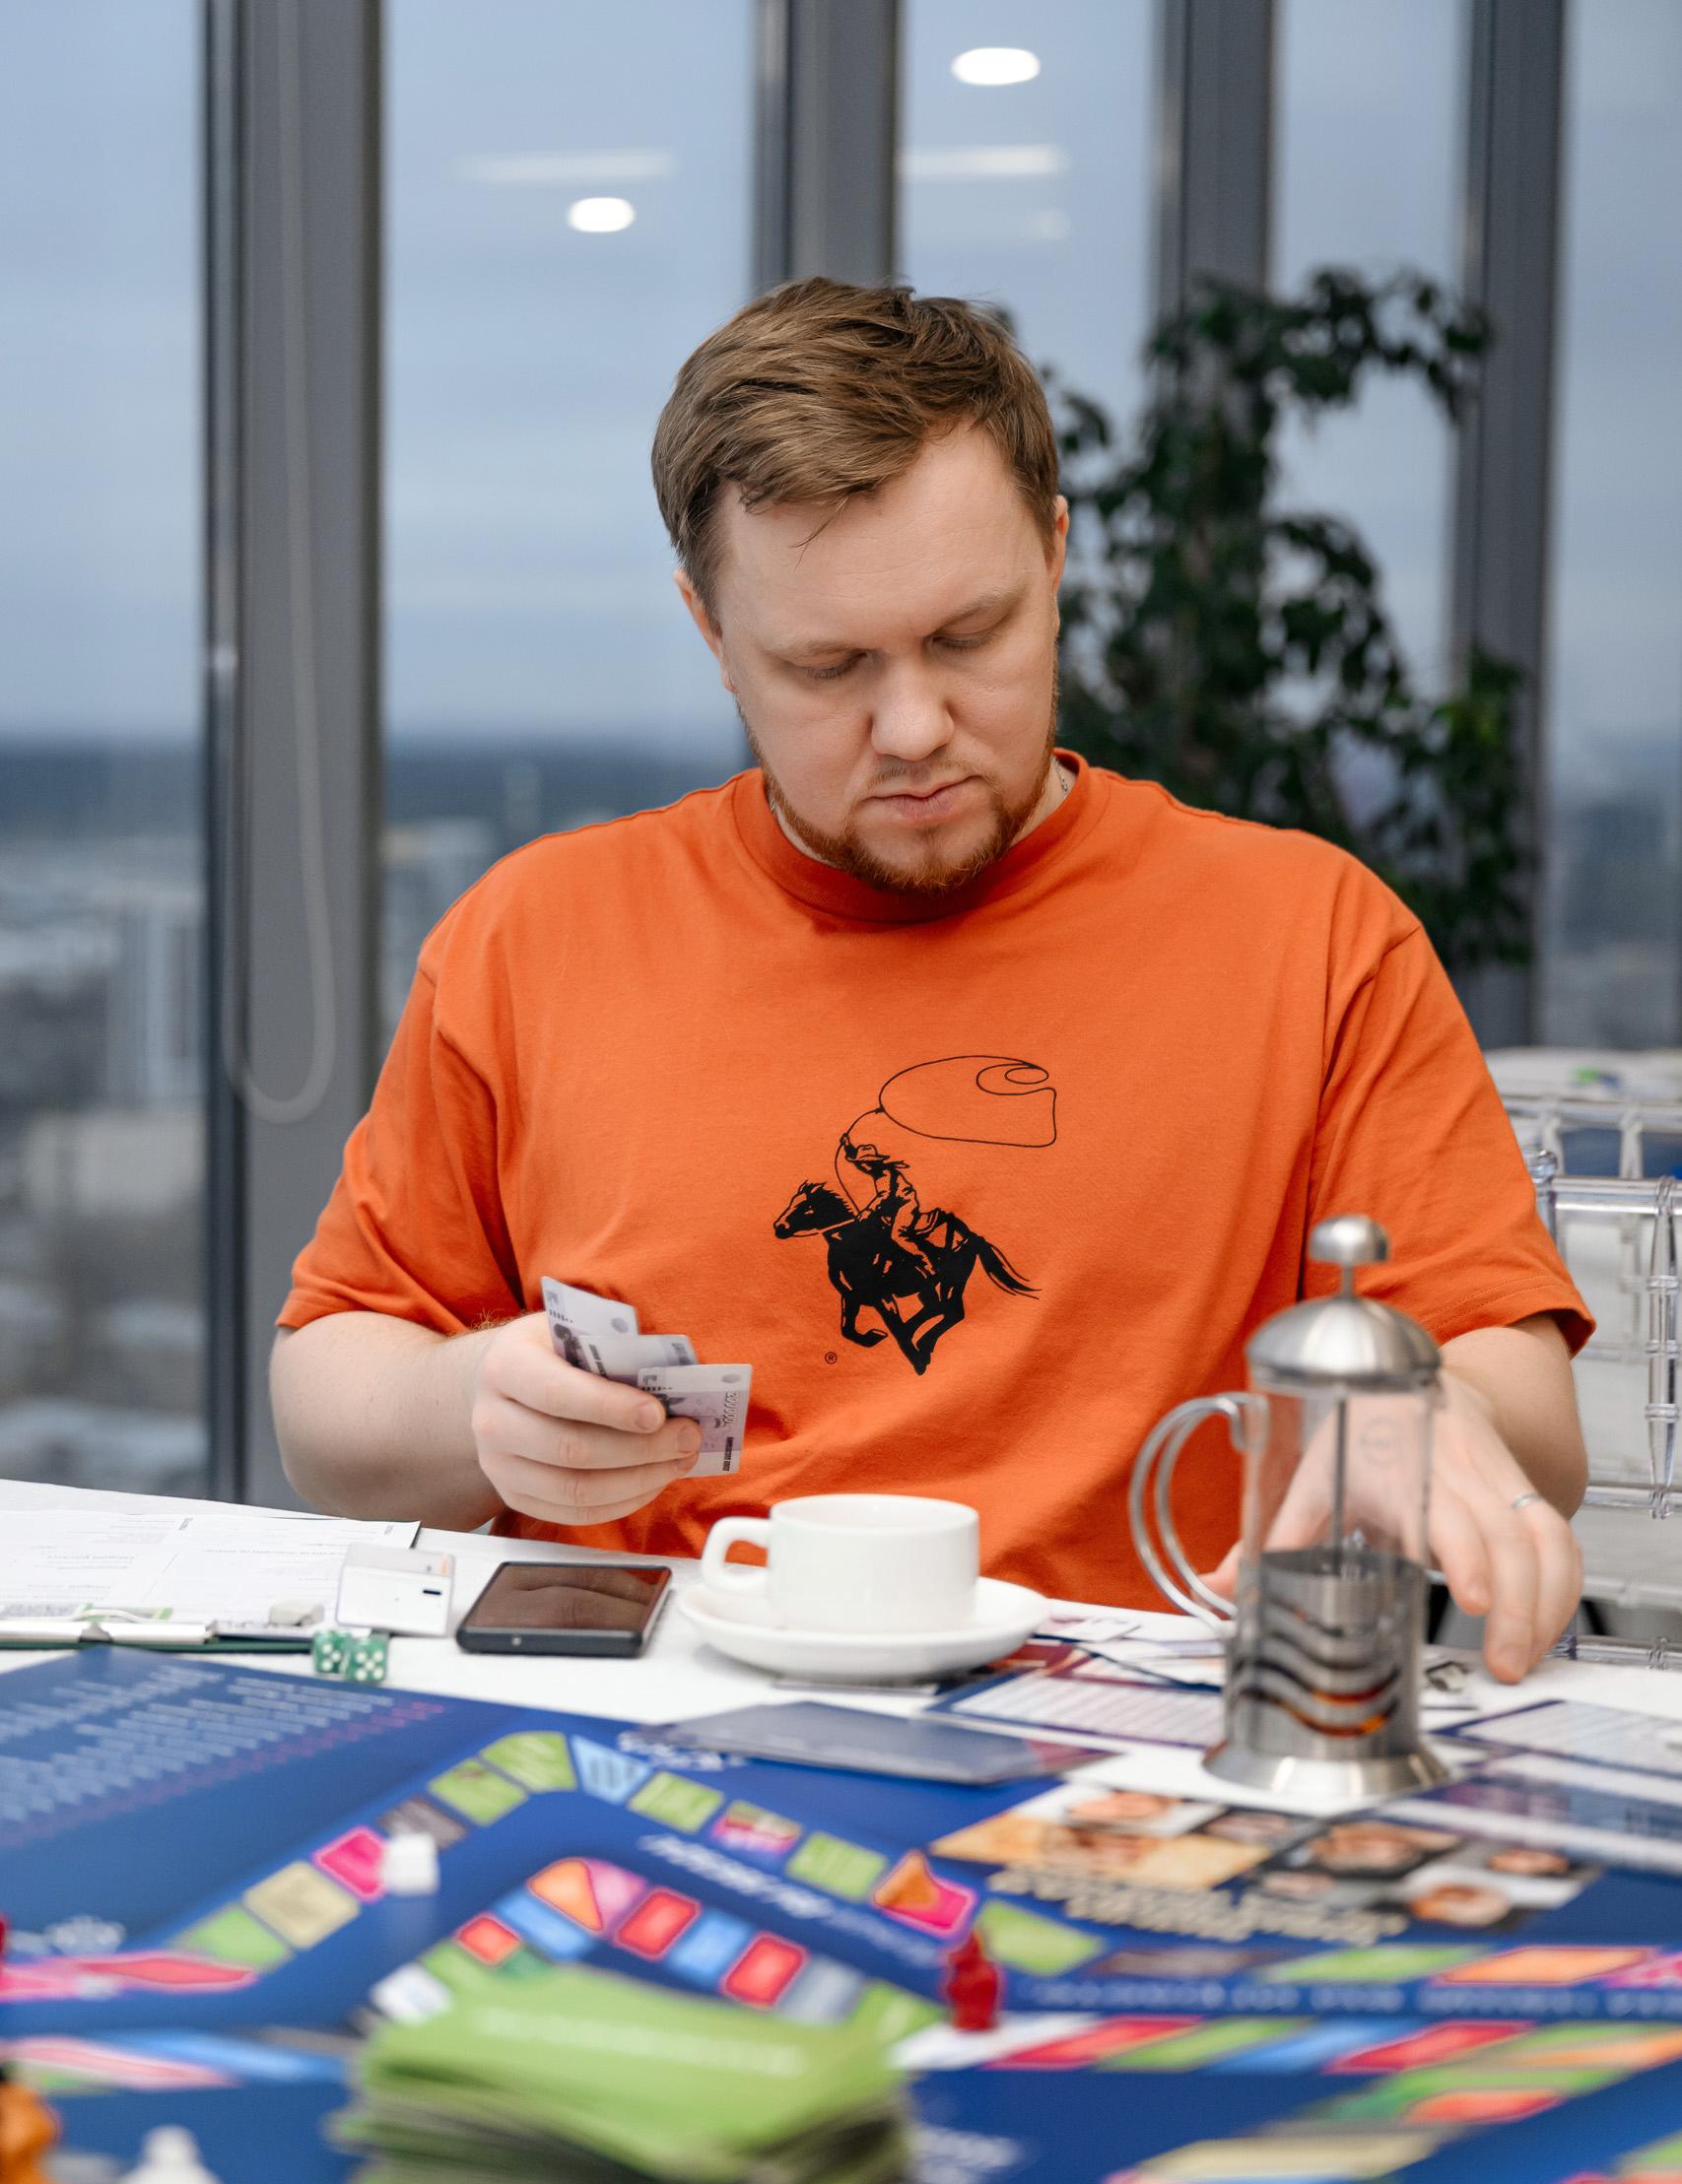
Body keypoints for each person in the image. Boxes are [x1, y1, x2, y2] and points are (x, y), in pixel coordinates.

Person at [272, 279, 1590, 1674]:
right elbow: (325, 1398)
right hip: (655, 1718)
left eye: (969, 637)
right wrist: (470, 1404)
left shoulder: (1314, 937)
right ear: (712, 634)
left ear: (1057, 558)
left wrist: (1425, 1407)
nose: (913, 728)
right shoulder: (533, 935)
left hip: (1122, 1730)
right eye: (826, 666)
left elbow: (1537, 1428)